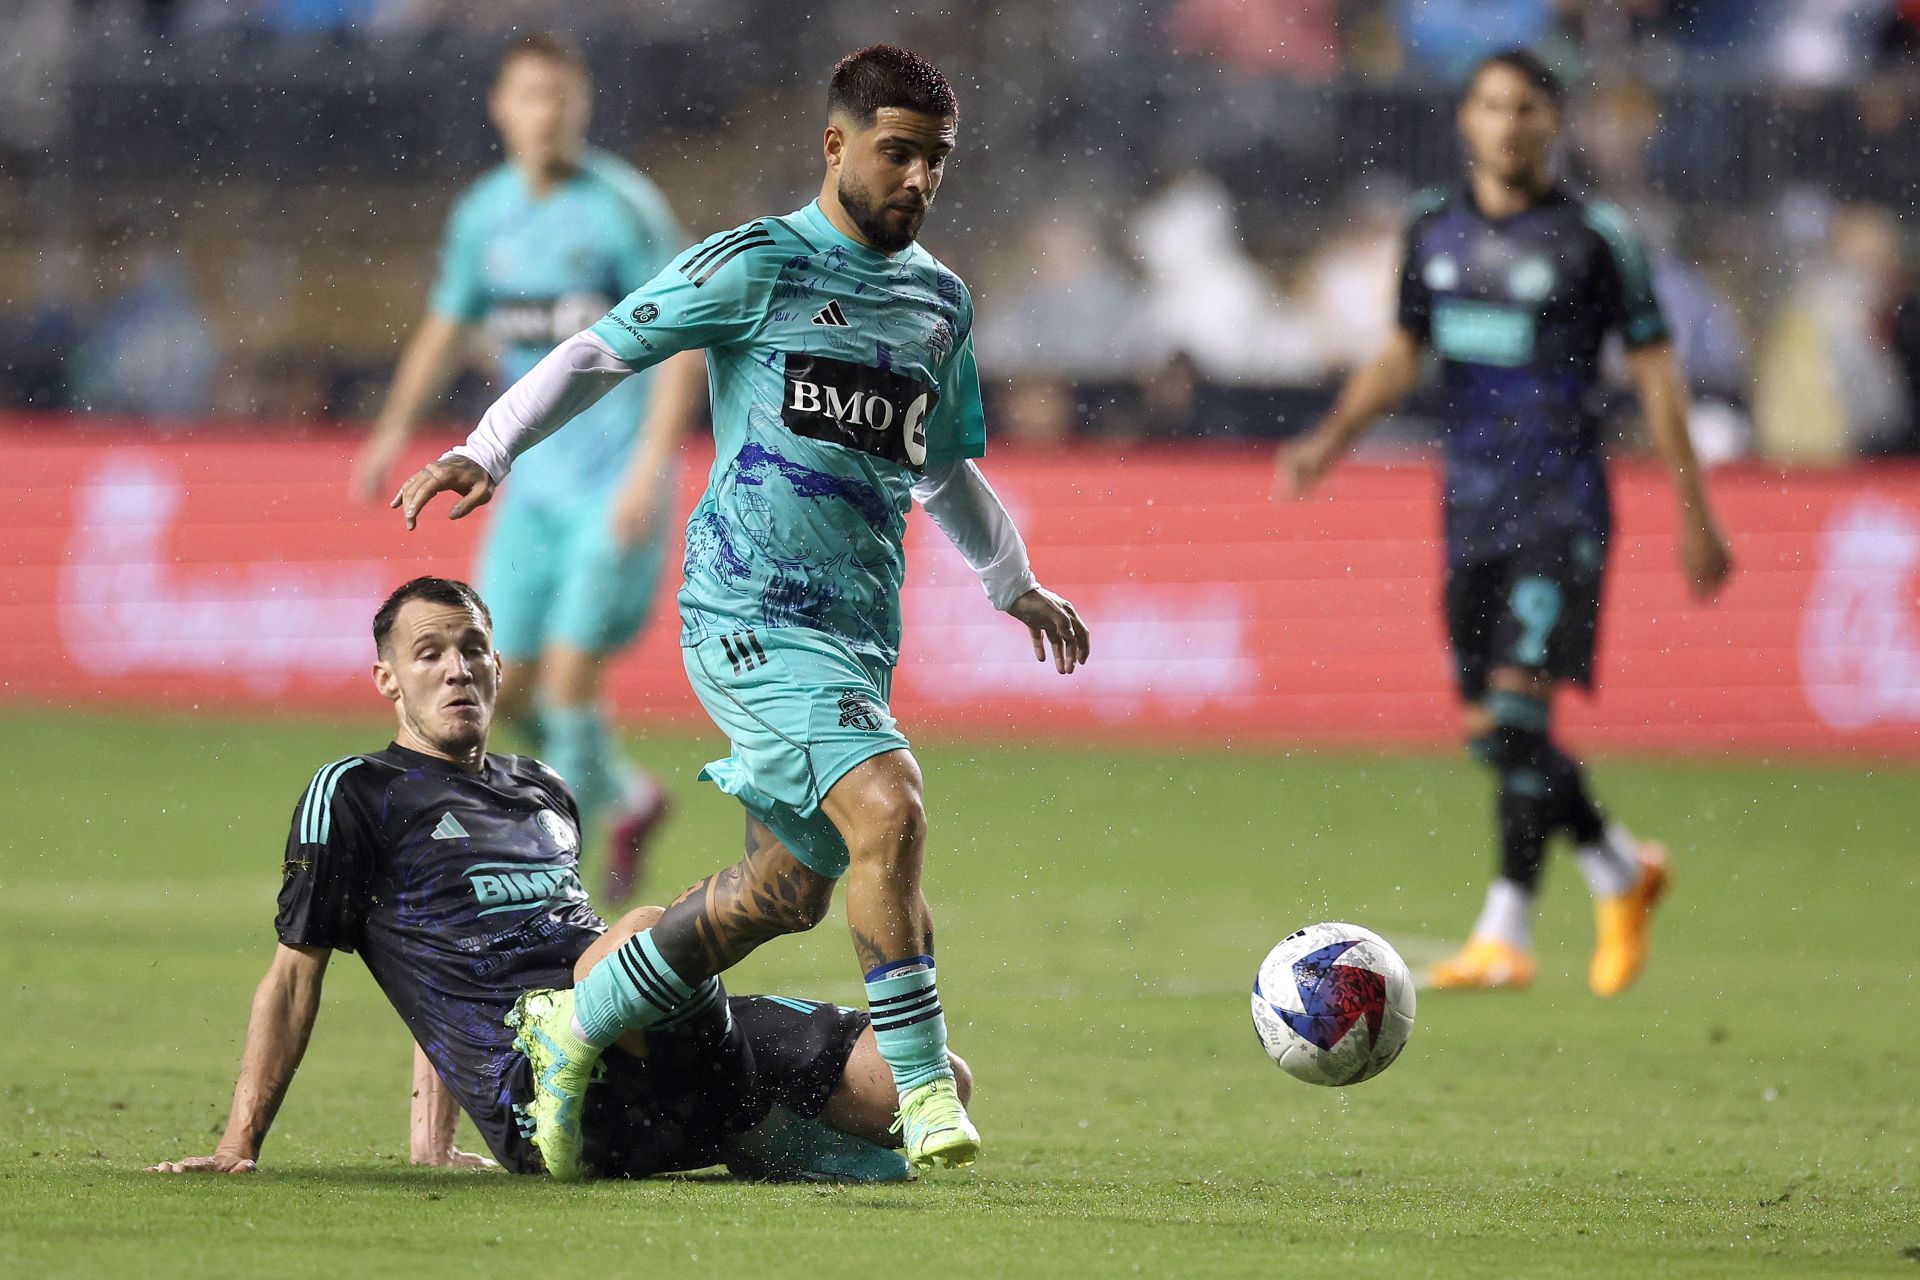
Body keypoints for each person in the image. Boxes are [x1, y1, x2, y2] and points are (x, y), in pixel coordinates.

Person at [393, 45, 1090, 1179]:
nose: (917, 178)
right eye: (896, 152)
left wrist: (1012, 579)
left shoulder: (938, 303)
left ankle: (573, 1020)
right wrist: (488, 445)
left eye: (937, 161)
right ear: (836, 145)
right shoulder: (759, 262)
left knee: (783, 892)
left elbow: (944, 468)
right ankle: (921, 1091)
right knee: (890, 805)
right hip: (747, 613)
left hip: (858, 635)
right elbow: (599, 348)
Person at [143, 576, 970, 1182]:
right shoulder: (357, 795)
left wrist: (430, 1145)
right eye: (428, 654)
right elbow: (304, 974)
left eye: (472, 650)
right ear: (387, 680)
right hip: (551, 1104)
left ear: (501, 667)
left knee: (928, 1075)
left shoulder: (542, 787)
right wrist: (237, 1145)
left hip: (647, 1033)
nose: (456, 670)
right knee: (645, 928)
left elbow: (465, 945)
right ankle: (750, 1125)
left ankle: (745, 1128)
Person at [1280, 49, 1733, 996]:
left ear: (1554, 122)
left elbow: (1656, 375)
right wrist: (1329, 441)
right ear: (1466, 120)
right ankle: (1618, 868)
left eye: (1528, 108)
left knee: (1523, 716)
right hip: (1470, 509)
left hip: (1560, 507)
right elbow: (1405, 354)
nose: (1510, 123)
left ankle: (1506, 932)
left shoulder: (1596, 237)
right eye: (1493, 106)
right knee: (1492, 731)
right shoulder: (1431, 230)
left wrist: (1696, 513)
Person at [353, 33, 703, 900]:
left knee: (576, 674)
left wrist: (647, 473)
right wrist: (391, 430)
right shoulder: (485, 215)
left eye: (560, 98)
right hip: (528, 486)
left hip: (613, 481)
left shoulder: (621, 209)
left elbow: (688, 337)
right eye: (529, 97)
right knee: (487, 677)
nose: (544, 115)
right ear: (501, 108)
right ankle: (626, 793)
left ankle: (558, 874)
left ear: (579, 109)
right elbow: (445, 323)